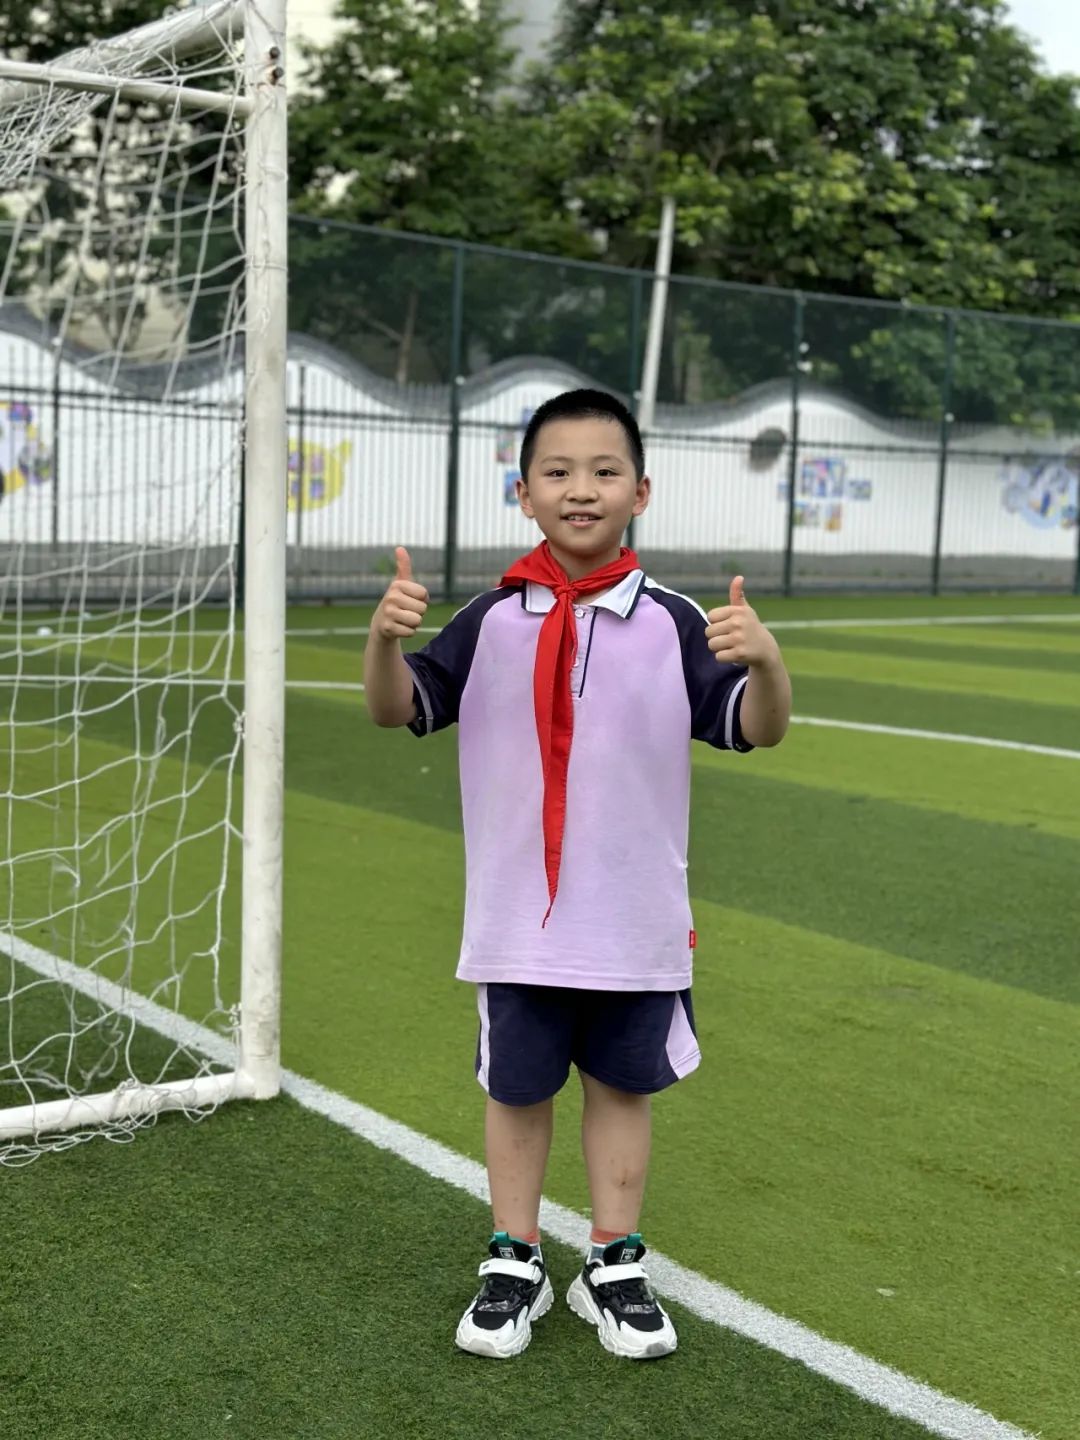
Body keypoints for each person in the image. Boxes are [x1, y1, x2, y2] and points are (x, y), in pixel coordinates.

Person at [364, 388, 791, 1361]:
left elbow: (752, 729)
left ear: (641, 490)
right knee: (516, 1093)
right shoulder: (490, 620)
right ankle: (514, 1258)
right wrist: (383, 643)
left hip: (636, 924)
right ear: (522, 492)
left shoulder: (676, 621)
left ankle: (614, 1260)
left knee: (619, 1091)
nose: (581, 489)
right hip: (519, 922)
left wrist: (768, 667)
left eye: (604, 472)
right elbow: (401, 711)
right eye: (557, 471)